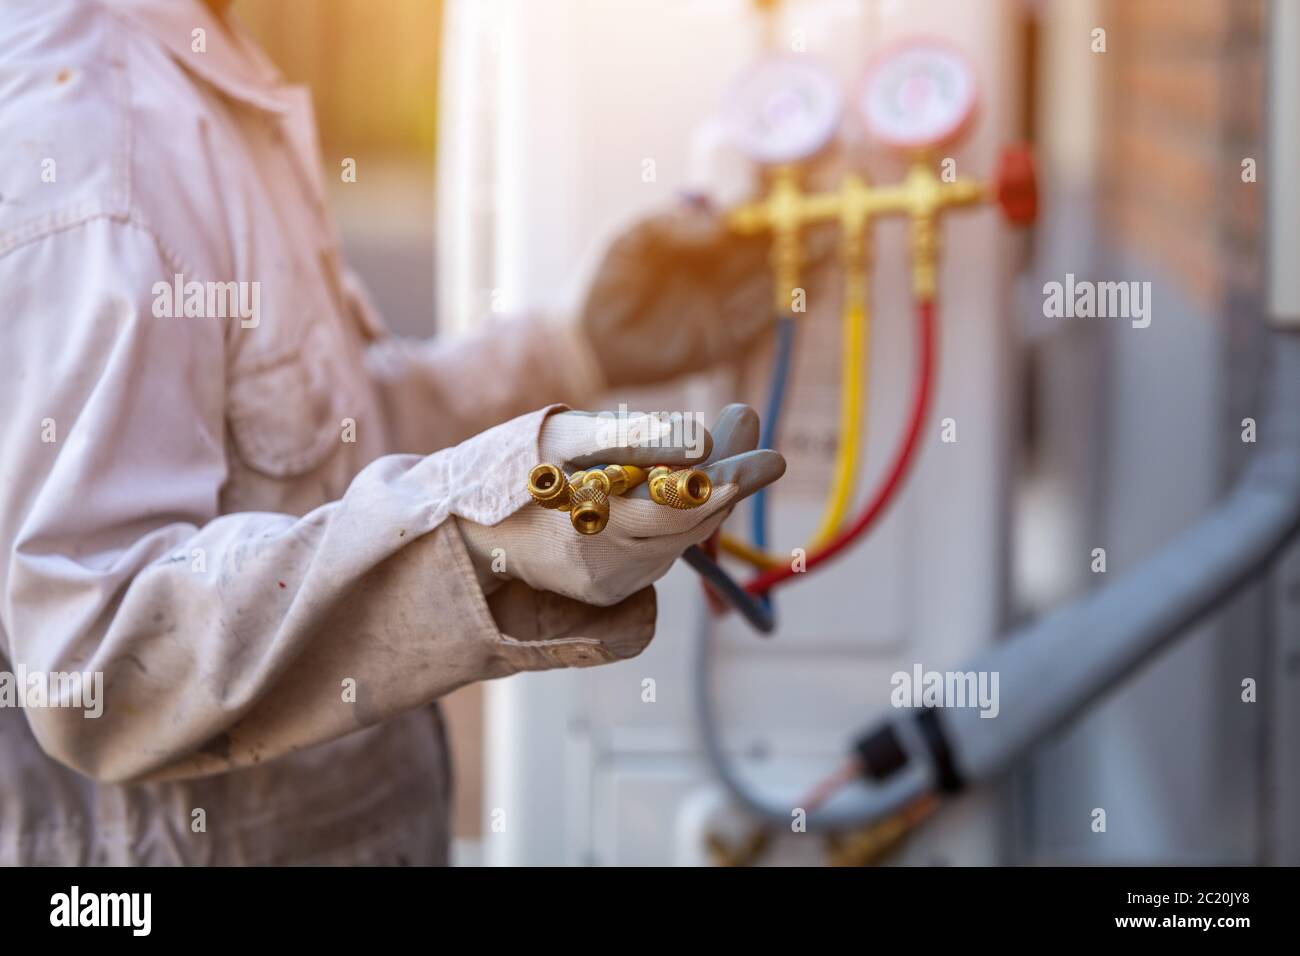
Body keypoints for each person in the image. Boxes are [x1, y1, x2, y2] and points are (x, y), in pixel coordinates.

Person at [0, 0, 792, 863]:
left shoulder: (190, 69)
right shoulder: (89, 138)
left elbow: (306, 450)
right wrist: (474, 532)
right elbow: (98, 668)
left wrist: (572, 348)